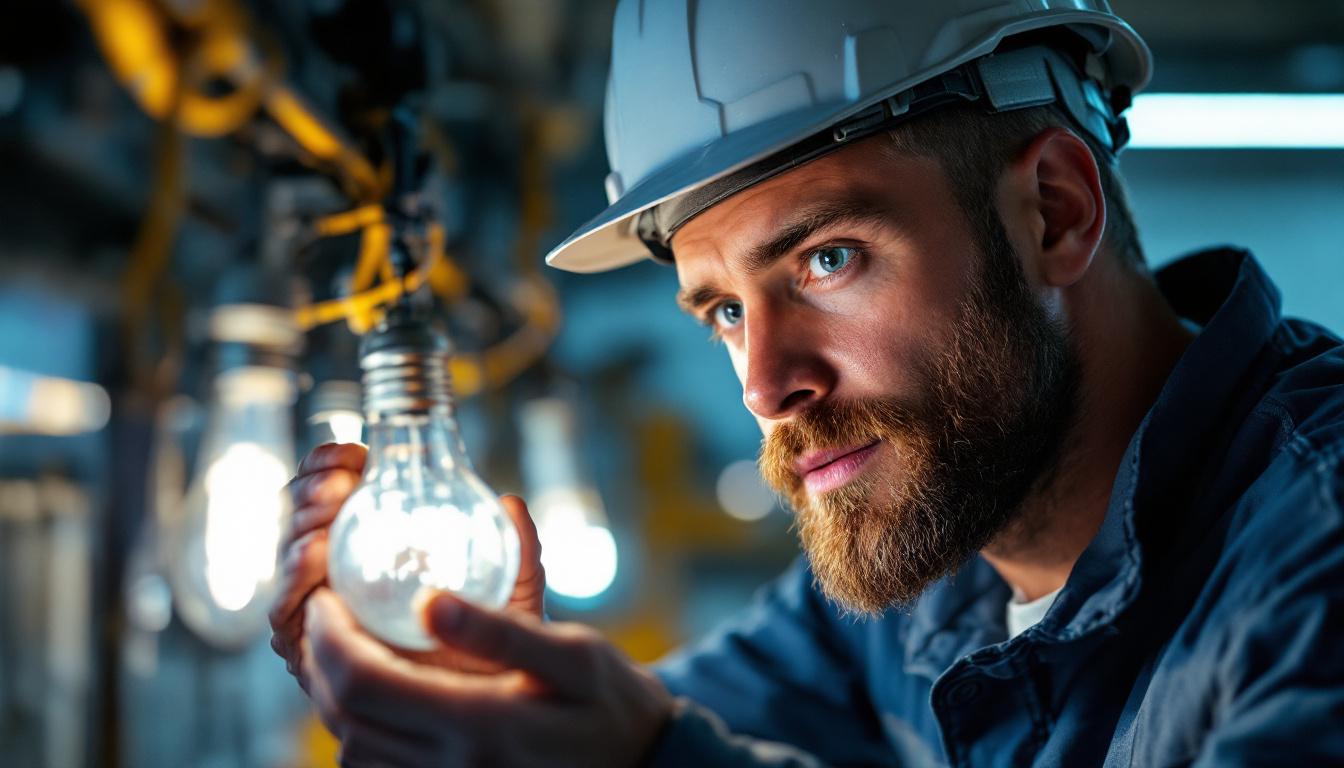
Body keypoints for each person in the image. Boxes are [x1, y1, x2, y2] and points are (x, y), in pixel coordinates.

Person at [270, 1, 1344, 765]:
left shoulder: (1313, 559)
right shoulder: (925, 569)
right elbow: (627, 727)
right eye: (724, 312)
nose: (764, 384)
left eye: (828, 259)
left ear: (1053, 213)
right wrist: (485, 704)